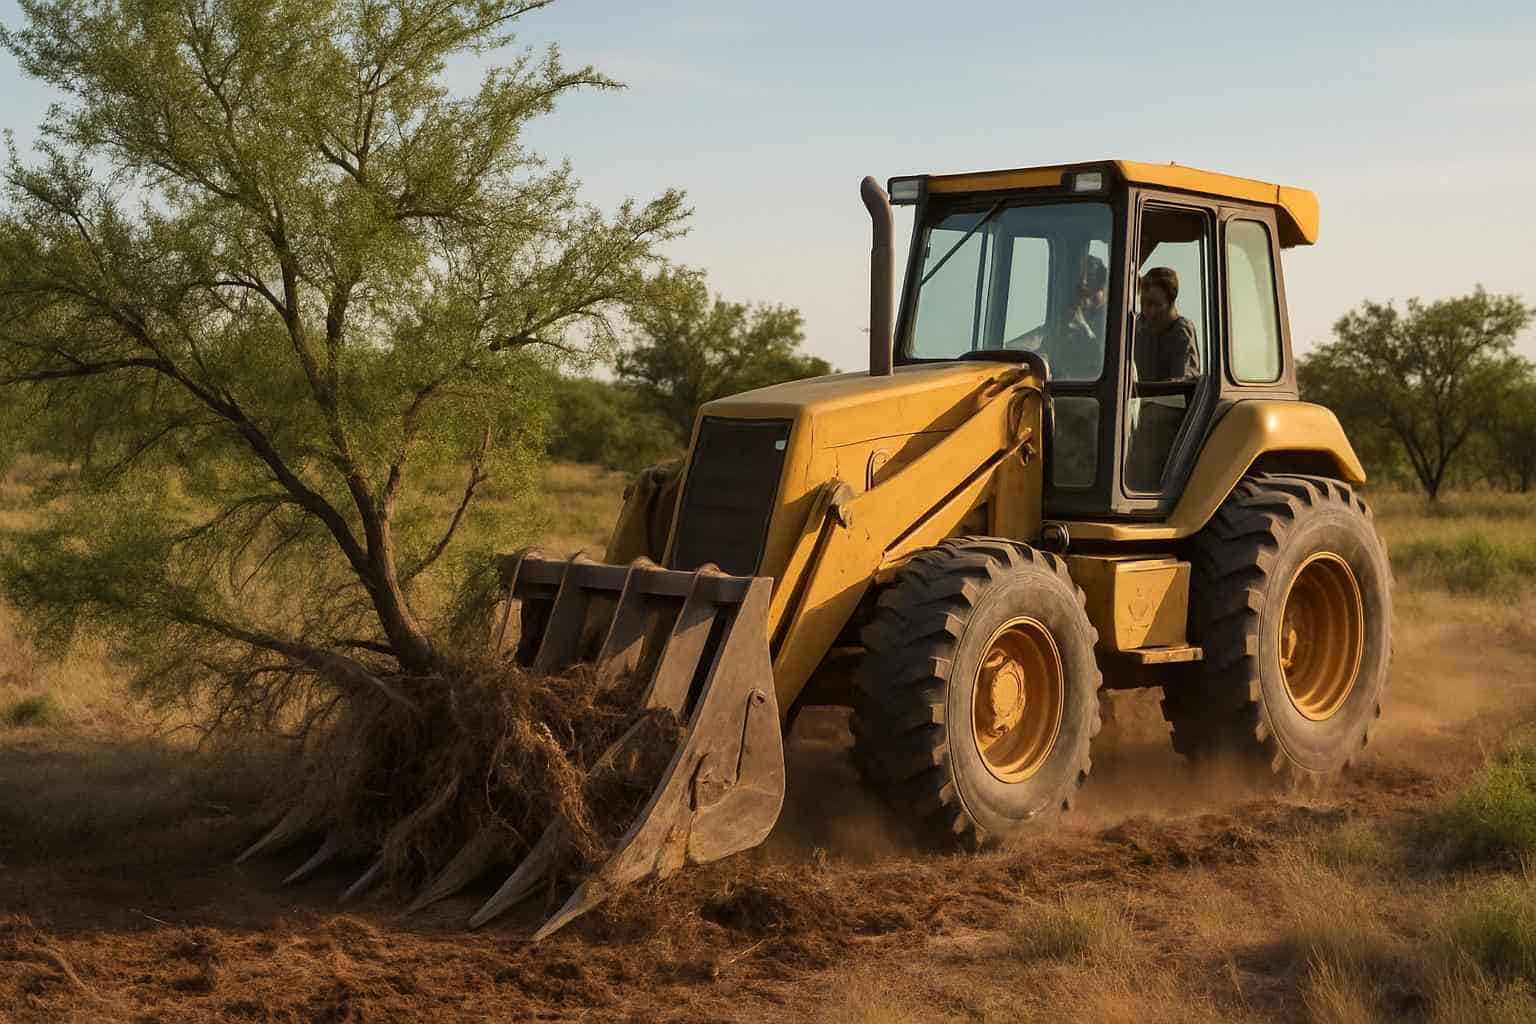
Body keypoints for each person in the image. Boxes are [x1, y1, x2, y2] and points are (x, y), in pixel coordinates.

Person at [1006, 254, 1108, 380]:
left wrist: (1082, 326)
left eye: (1088, 291)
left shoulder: (1107, 325)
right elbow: (1031, 343)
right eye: (1080, 293)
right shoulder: (1059, 329)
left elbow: (1099, 357)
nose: (1084, 299)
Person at [1133, 267, 1199, 381]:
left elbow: (1181, 384)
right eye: (1144, 302)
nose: (1149, 310)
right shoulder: (1137, 327)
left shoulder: (1181, 332)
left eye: (1156, 304)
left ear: (1171, 302)